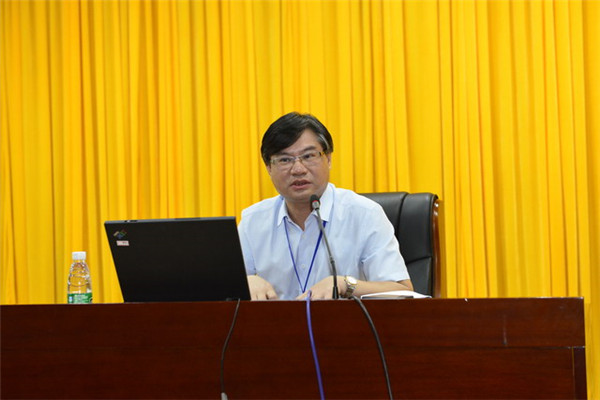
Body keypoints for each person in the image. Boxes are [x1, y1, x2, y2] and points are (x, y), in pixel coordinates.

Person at [238, 112, 413, 300]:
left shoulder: (365, 214)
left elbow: (402, 292)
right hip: (277, 320)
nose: (298, 169)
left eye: (308, 156)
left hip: (343, 320)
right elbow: (222, 293)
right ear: (268, 168)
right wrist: (245, 281)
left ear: (328, 159)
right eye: (285, 159)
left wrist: (345, 284)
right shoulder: (252, 221)